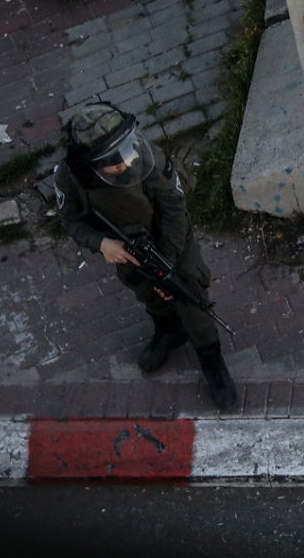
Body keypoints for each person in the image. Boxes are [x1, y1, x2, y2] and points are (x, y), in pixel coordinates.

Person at [53, 102, 237, 411]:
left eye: (125, 152)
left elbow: (175, 211)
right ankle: (168, 333)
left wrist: (165, 263)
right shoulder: (69, 177)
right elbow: (71, 222)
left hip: (171, 240)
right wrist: (101, 243)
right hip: (125, 249)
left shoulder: (146, 158)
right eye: (113, 162)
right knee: (149, 295)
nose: (125, 164)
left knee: (191, 299)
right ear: (91, 163)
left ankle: (212, 361)